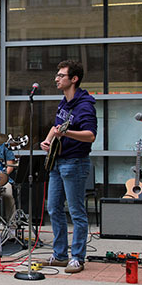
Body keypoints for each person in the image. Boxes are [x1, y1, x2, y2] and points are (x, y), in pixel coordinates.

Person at [40, 60, 97, 273]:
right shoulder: (64, 102)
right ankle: (60, 255)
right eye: (57, 75)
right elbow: (56, 128)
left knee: (76, 211)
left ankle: (78, 258)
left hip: (75, 163)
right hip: (58, 163)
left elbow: (90, 135)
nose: (56, 78)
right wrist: (48, 141)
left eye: (61, 75)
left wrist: (67, 133)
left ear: (73, 79)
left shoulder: (84, 105)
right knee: (54, 208)